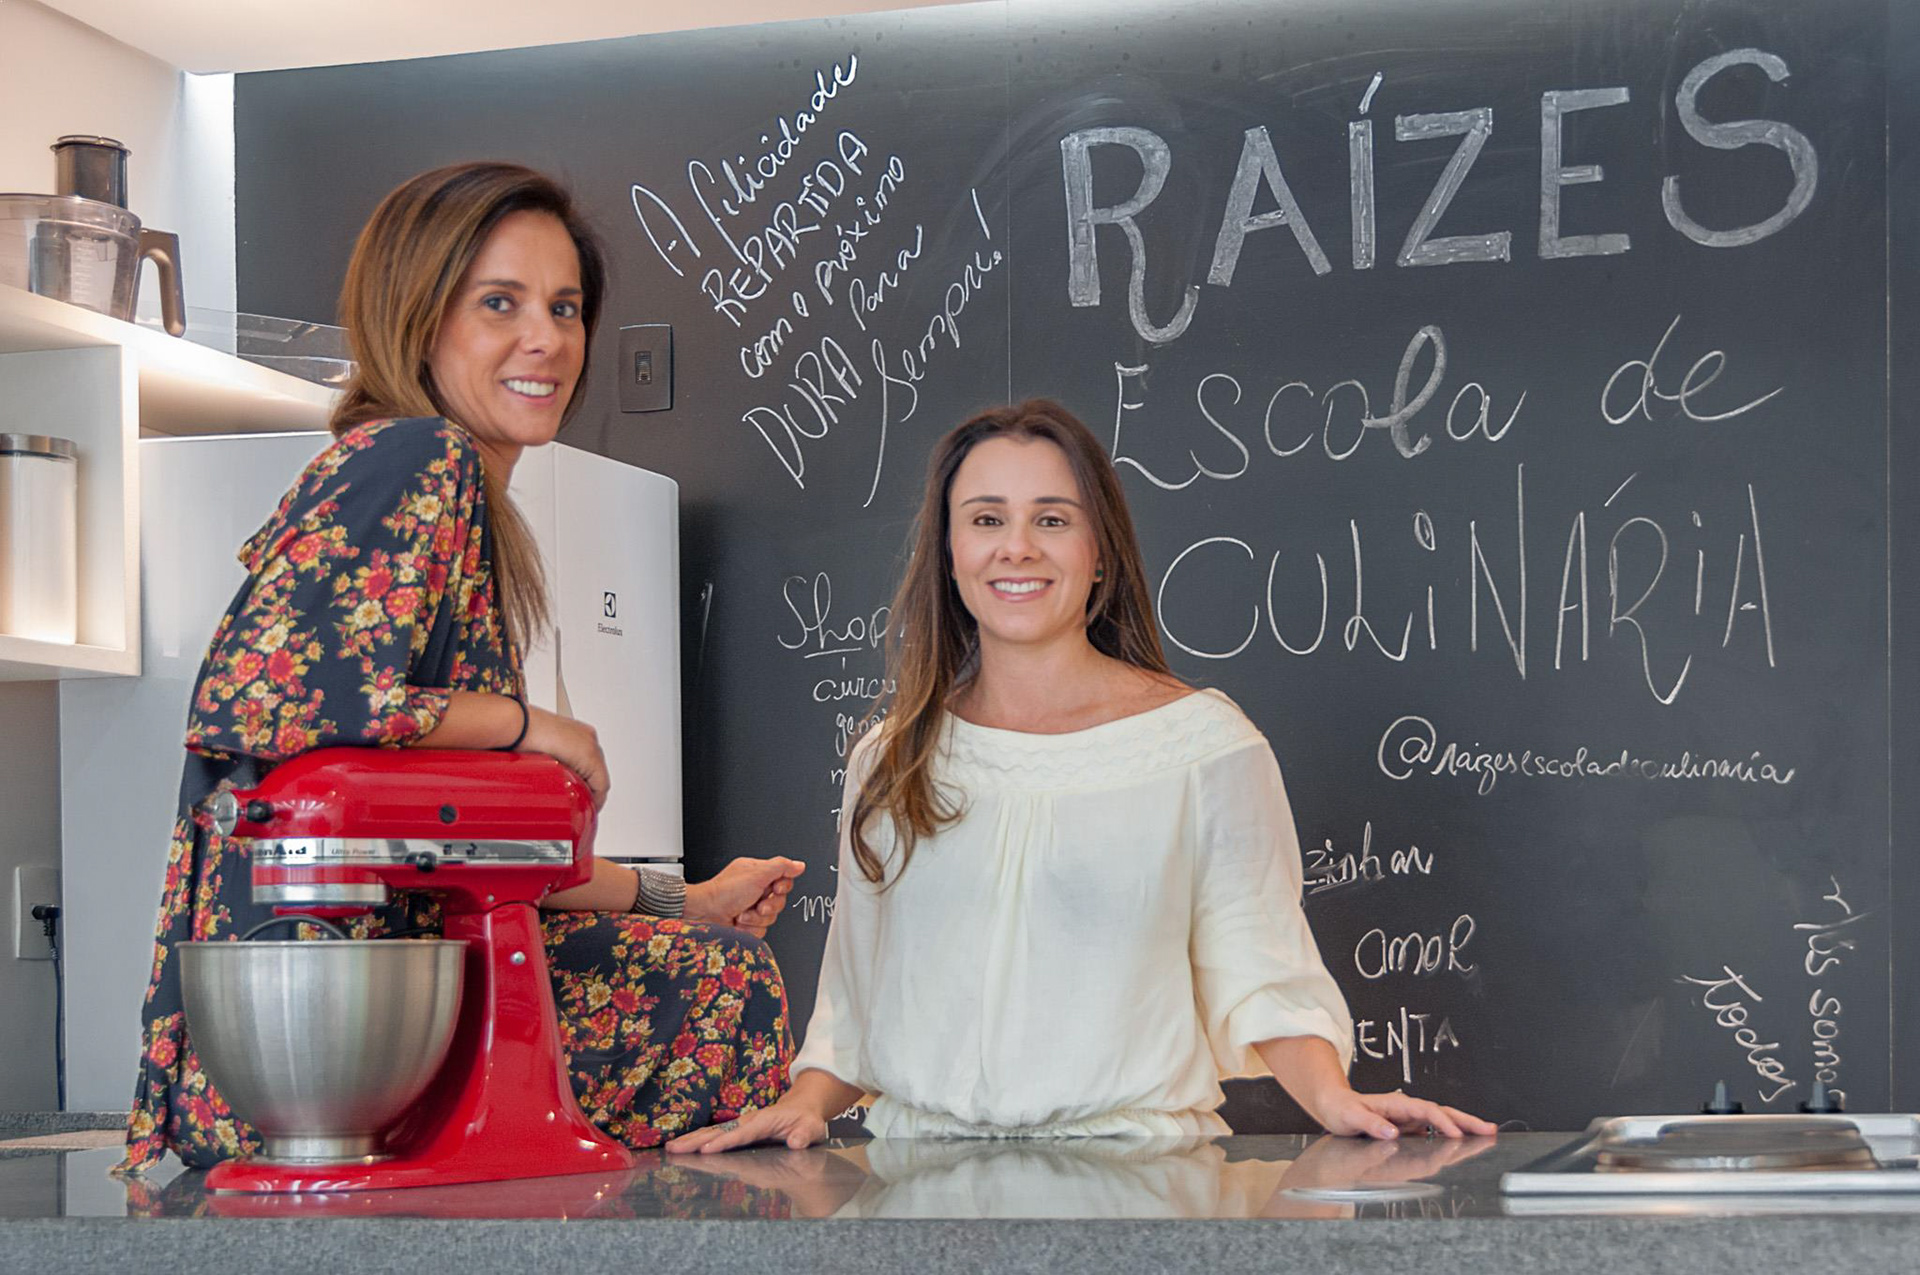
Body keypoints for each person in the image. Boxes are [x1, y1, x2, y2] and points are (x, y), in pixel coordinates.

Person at [117, 162, 801, 1172]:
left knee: (719, 968)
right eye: (499, 303)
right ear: (418, 316)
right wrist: (531, 728)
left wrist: (682, 899)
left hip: (348, 1024)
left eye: (564, 307)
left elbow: (472, 854)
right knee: (723, 990)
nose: (547, 339)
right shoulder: (418, 457)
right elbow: (269, 694)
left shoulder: (457, 499)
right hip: (330, 1038)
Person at [669, 400, 1496, 1153]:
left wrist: (1333, 1097)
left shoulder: (1203, 746)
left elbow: (1264, 968)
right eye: (986, 518)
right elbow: (855, 997)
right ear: (951, 554)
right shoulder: (892, 756)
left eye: (1052, 519)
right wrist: (806, 1102)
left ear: (1099, 552)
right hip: (916, 1187)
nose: (1017, 547)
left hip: (1137, 1183)